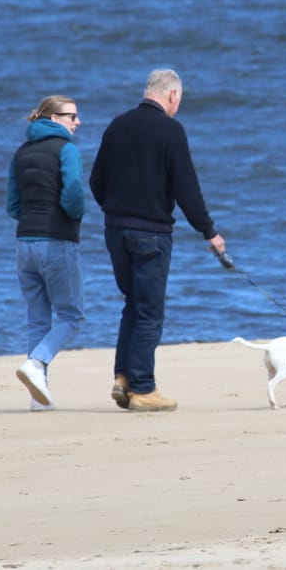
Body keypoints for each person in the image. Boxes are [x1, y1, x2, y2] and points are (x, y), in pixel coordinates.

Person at [89, 69, 226, 412]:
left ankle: (123, 378)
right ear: (172, 95)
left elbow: (96, 180)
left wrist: (116, 210)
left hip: (115, 230)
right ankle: (143, 388)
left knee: (133, 304)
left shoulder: (117, 125)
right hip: (151, 233)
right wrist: (209, 231)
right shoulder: (170, 130)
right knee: (149, 310)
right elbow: (187, 189)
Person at [6, 95, 85, 412]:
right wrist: (74, 216)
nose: (77, 122)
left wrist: (31, 218)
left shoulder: (21, 152)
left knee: (38, 319)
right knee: (71, 316)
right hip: (56, 240)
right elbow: (73, 192)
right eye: (72, 116)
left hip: (25, 242)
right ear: (54, 119)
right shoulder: (67, 149)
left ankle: (38, 397)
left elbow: (13, 204)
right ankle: (37, 363)